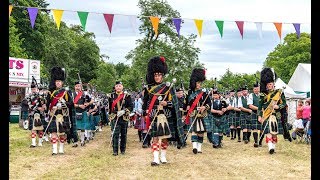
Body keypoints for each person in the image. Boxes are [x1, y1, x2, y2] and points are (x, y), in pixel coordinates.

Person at [142, 56, 185, 166]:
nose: (157, 77)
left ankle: (163, 156)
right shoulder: (148, 88)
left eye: (159, 75)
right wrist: (145, 113)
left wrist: (167, 103)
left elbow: (174, 104)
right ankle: (155, 158)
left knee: (165, 138)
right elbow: (146, 102)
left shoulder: (168, 87)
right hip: (154, 115)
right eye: (155, 75)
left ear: (162, 75)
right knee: (155, 137)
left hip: (166, 115)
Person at [258, 67, 286, 154]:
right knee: (268, 131)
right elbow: (259, 106)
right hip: (267, 114)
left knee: (274, 132)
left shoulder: (279, 93)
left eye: (270, 84)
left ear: (273, 84)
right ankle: (270, 147)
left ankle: (273, 147)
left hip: (276, 114)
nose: (269, 86)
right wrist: (259, 116)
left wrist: (278, 106)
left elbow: (284, 103)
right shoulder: (263, 95)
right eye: (268, 84)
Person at [46, 67, 73, 155]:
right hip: (53, 114)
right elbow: (47, 104)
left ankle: (61, 149)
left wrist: (64, 103)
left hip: (62, 114)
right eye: (56, 81)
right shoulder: (50, 92)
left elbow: (71, 103)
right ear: (55, 82)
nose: (58, 83)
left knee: (62, 133)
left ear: (62, 83)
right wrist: (48, 111)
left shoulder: (66, 92)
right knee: (53, 132)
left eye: (59, 81)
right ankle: (54, 150)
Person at [184, 68, 211, 154]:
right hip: (193, 114)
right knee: (194, 131)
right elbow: (186, 104)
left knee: (201, 132)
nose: (199, 84)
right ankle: (194, 147)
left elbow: (209, 103)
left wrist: (204, 107)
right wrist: (186, 112)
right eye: (198, 83)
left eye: (200, 83)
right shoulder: (189, 93)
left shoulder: (204, 93)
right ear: (194, 82)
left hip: (202, 115)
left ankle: (199, 148)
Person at [108, 81, 133, 156]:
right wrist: (110, 116)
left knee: (123, 134)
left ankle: (123, 150)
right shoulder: (111, 96)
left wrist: (124, 111)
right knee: (115, 134)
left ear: (122, 87)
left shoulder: (127, 96)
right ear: (115, 87)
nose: (118, 87)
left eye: (120, 86)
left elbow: (131, 106)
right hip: (115, 117)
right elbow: (110, 107)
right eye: (117, 86)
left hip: (124, 117)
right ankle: (115, 151)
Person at [27, 78, 47, 148]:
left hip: (41, 114)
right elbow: (30, 106)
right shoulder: (28, 96)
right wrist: (37, 108)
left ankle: (40, 142)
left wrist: (44, 106)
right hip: (33, 114)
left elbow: (44, 104)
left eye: (34, 89)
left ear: (37, 88)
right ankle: (33, 143)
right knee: (33, 129)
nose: (33, 90)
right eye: (32, 89)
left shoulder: (41, 95)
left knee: (41, 128)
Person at [248, 82, 262, 147]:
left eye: (257, 88)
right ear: (253, 89)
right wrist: (259, 109)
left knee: (262, 128)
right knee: (255, 128)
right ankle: (256, 142)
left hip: (262, 113)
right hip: (254, 113)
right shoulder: (251, 95)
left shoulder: (262, 95)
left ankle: (260, 142)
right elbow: (250, 106)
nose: (256, 90)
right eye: (255, 89)